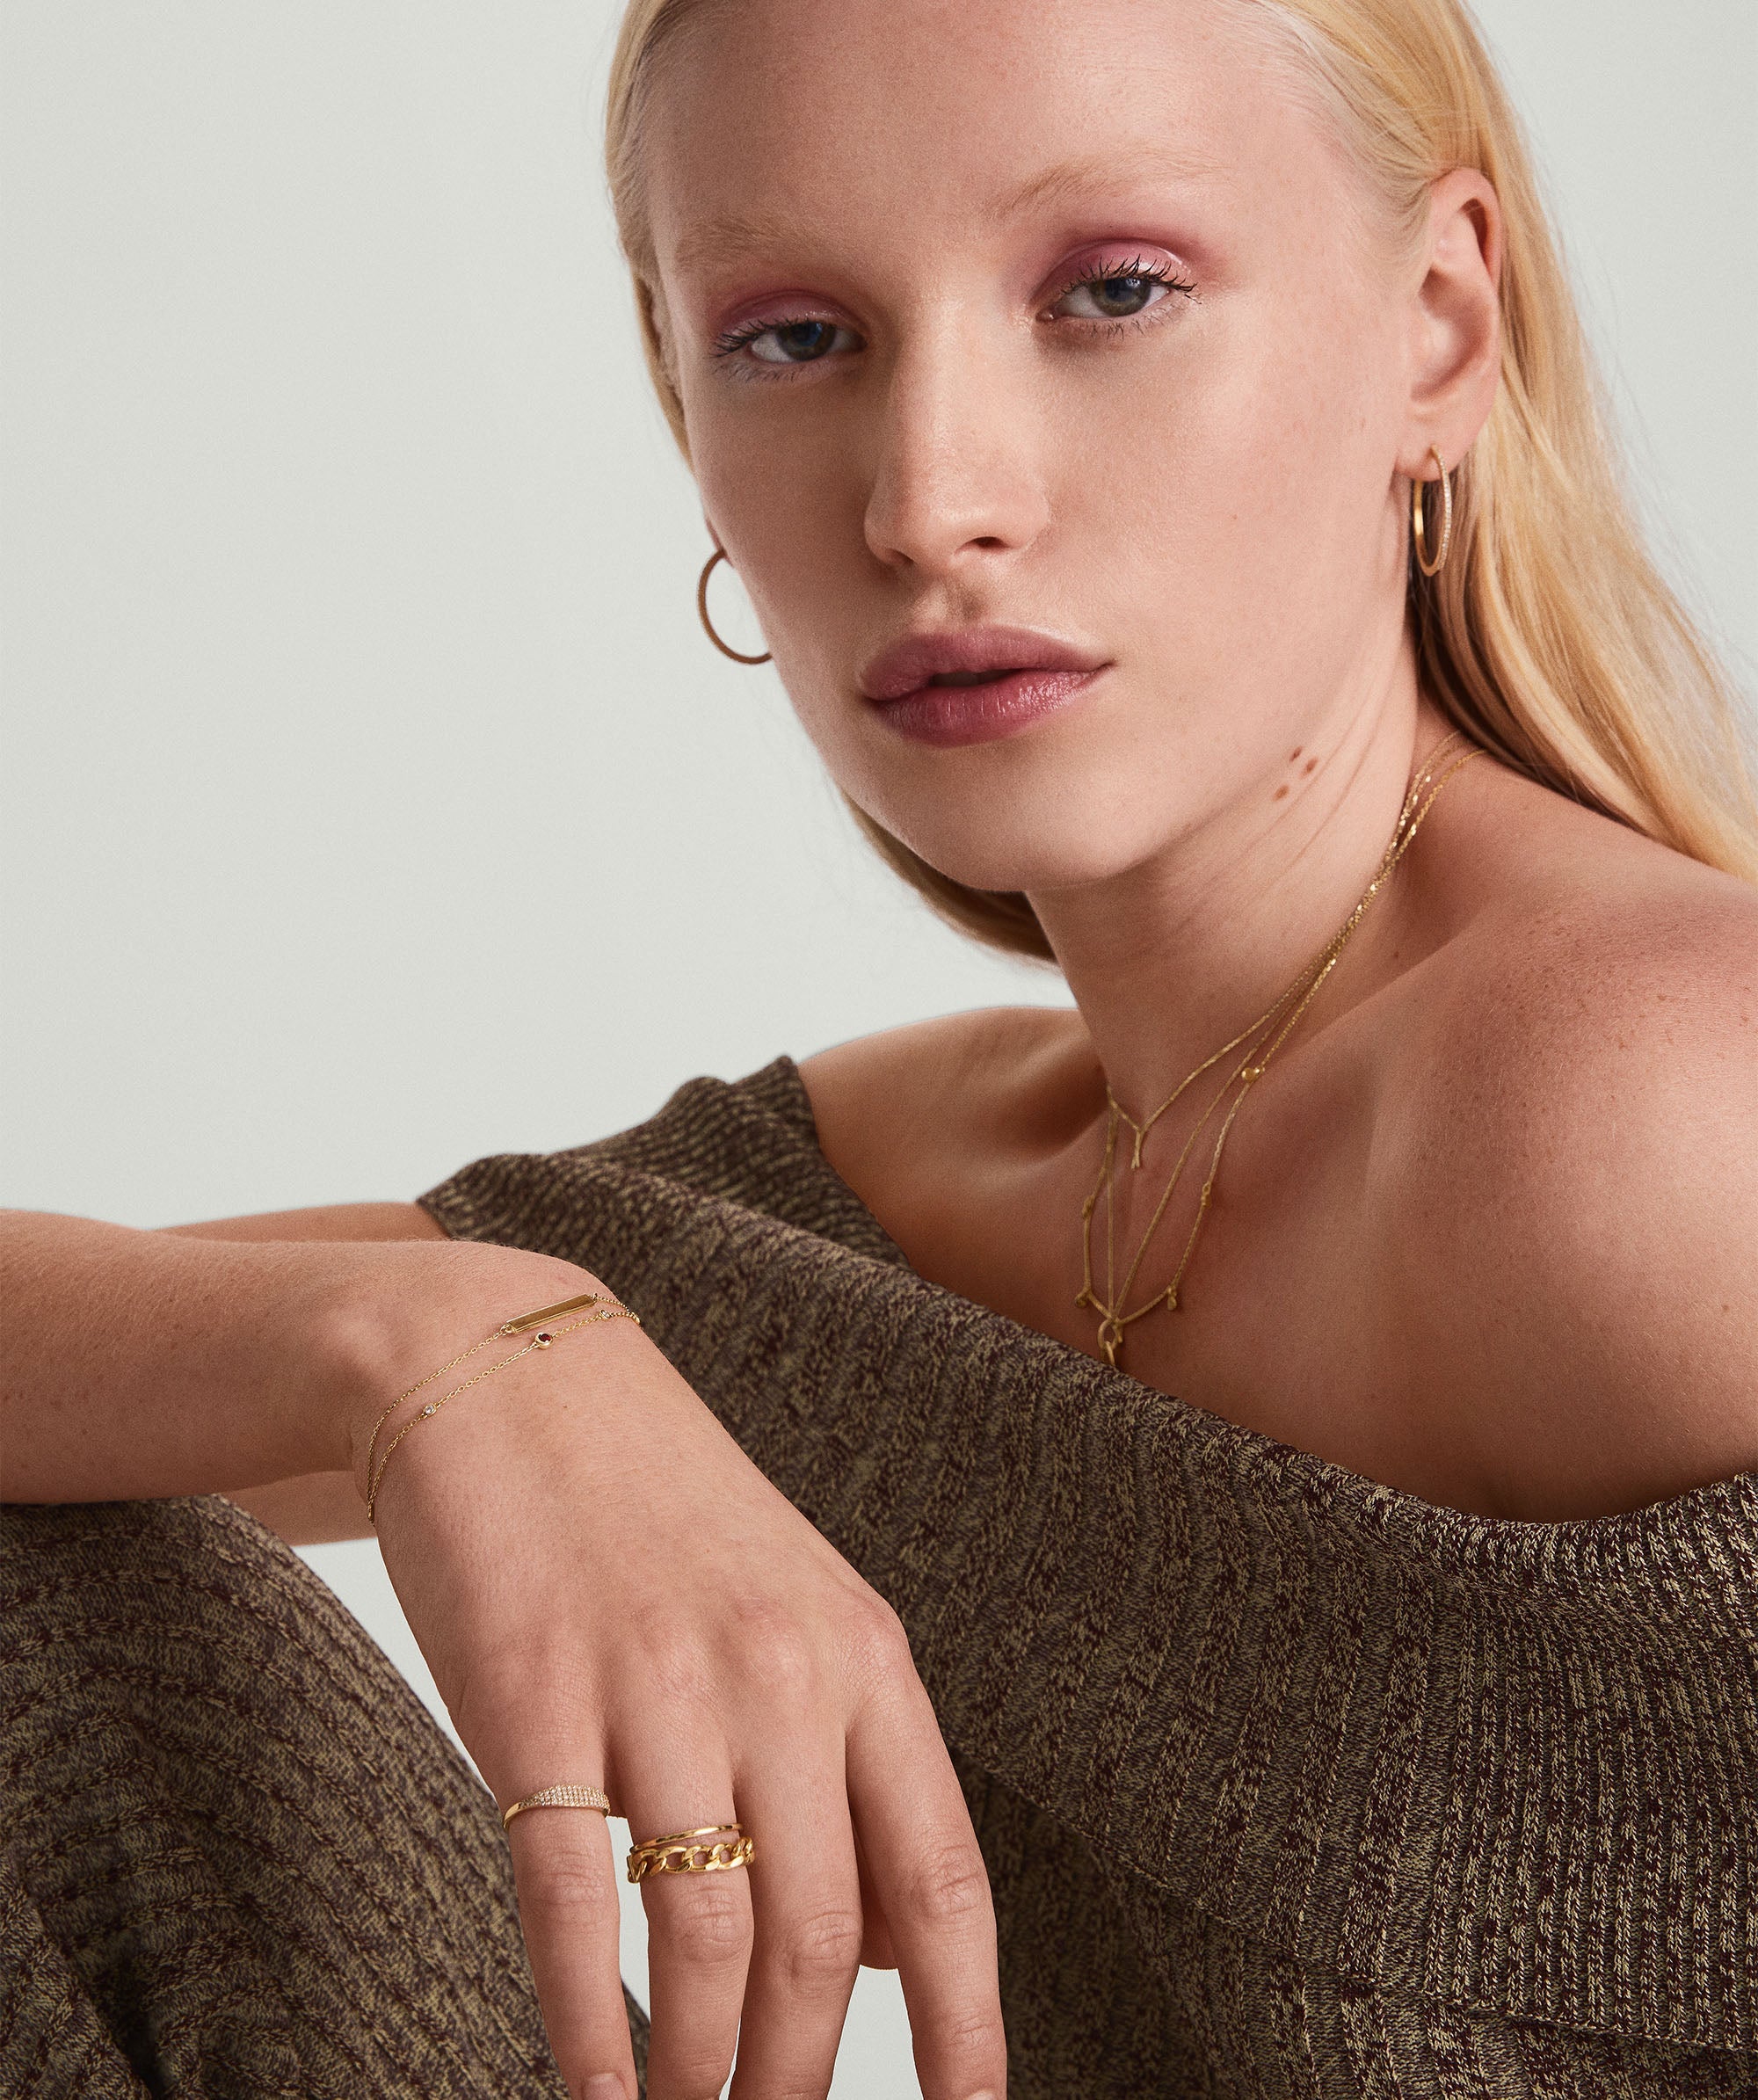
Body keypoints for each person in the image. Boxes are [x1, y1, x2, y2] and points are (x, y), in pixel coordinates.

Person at [4, 0, 1756, 2094]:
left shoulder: (1655, 1105)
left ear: (1439, 331)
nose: (928, 502)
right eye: (792, 337)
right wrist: (432, 1341)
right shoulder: (880, 1211)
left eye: (1112, 291)